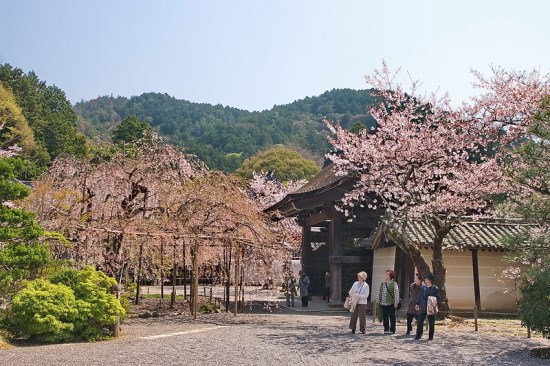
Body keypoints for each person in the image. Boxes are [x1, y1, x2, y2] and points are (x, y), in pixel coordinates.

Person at [415, 273, 441, 340]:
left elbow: (438, 297)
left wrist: (431, 299)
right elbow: (420, 296)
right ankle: (418, 335)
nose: (425, 279)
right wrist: (417, 303)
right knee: (420, 321)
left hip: (430, 308)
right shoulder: (423, 287)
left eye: (426, 278)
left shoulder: (435, 288)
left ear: (429, 280)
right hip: (423, 306)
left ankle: (430, 336)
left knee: (431, 323)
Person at [378, 269, 400, 334]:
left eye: (387, 274)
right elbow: (380, 292)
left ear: (391, 276)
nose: (386, 275)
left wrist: (396, 302)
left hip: (391, 303)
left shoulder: (394, 284)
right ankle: (386, 329)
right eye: (386, 274)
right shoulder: (383, 283)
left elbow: (396, 293)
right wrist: (379, 300)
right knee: (385, 317)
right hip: (383, 303)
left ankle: (392, 330)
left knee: (392, 317)